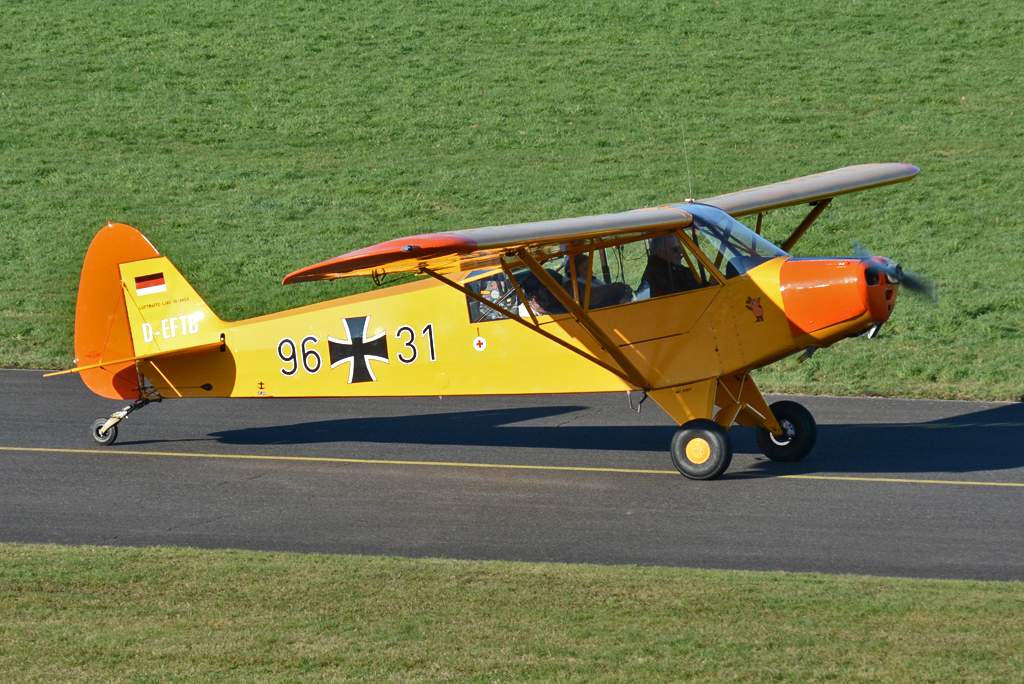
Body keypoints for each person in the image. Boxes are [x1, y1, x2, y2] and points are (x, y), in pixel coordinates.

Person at [638, 235, 702, 299]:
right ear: (660, 254)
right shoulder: (659, 277)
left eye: (680, 247)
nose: (680, 252)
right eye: (675, 249)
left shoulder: (673, 270)